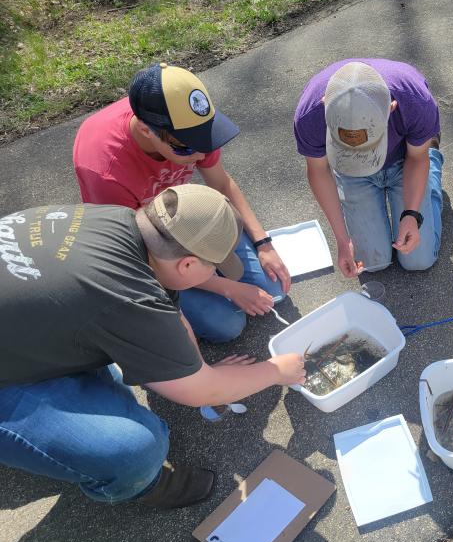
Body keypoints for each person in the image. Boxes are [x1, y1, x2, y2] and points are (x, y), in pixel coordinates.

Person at [0, 185, 306, 508]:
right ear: (187, 265)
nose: (217, 273)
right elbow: (201, 393)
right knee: (138, 448)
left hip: (24, 329)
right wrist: (274, 371)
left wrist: (199, 367)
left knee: (112, 378)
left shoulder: (124, 225)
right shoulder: (127, 294)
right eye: (214, 266)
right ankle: (138, 486)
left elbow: (172, 317)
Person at [73, 62, 289, 343]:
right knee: (227, 325)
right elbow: (137, 255)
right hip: (148, 244)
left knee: (273, 289)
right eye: (186, 146)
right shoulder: (105, 171)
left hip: (184, 215)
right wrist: (227, 288)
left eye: (206, 140)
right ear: (146, 130)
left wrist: (263, 243)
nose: (201, 154)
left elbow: (221, 183)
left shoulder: (187, 123)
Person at [294, 59, 443, 276]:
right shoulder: (309, 115)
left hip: (405, 159)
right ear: (325, 106)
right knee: (373, 262)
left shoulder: (414, 100)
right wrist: (342, 240)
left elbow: (416, 158)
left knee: (418, 260)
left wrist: (411, 215)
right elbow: (318, 170)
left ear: (391, 108)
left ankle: (433, 156)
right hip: (351, 171)